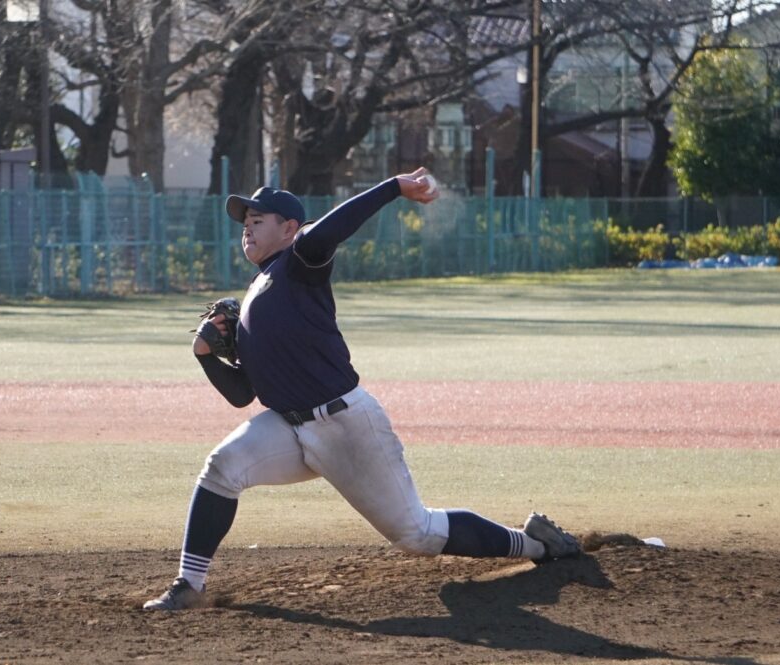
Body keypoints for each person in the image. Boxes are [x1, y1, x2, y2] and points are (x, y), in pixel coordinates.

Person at [143, 168, 580, 611]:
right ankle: (189, 585)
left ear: (290, 228)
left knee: (418, 533)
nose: (247, 227)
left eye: (260, 218)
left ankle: (537, 545)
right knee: (222, 467)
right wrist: (204, 354)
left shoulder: (300, 261)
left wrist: (393, 187)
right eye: (245, 221)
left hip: (344, 424)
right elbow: (243, 395)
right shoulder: (259, 288)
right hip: (287, 426)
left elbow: (333, 227)